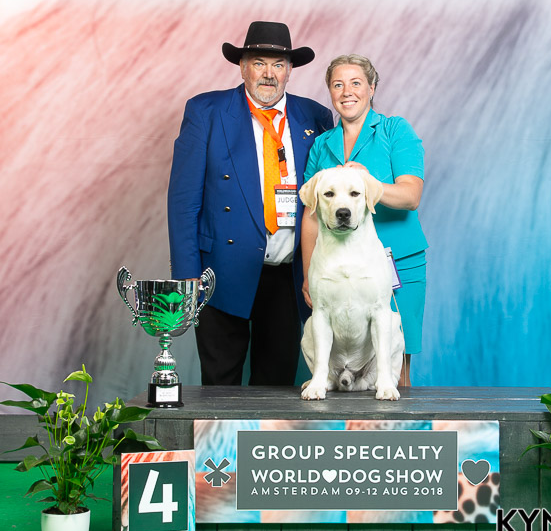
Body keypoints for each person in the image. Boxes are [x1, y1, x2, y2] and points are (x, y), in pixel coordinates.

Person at [167, 21, 333, 386]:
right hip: (221, 270)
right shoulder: (206, 111)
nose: (269, 74)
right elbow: (183, 200)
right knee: (220, 384)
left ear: (290, 71)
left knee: (276, 385)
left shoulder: (316, 117)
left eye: (278, 65)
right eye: (259, 63)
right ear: (242, 68)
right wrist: (187, 274)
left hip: (289, 274)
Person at [301, 54, 427, 386]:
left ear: (372, 88)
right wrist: (308, 273)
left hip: (396, 262)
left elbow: (411, 195)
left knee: (394, 371)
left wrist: (368, 183)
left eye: (356, 83)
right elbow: (311, 216)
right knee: (334, 360)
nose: (347, 92)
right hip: (334, 266)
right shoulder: (321, 145)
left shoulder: (395, 131)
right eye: (337, 84)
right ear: (330, 91)